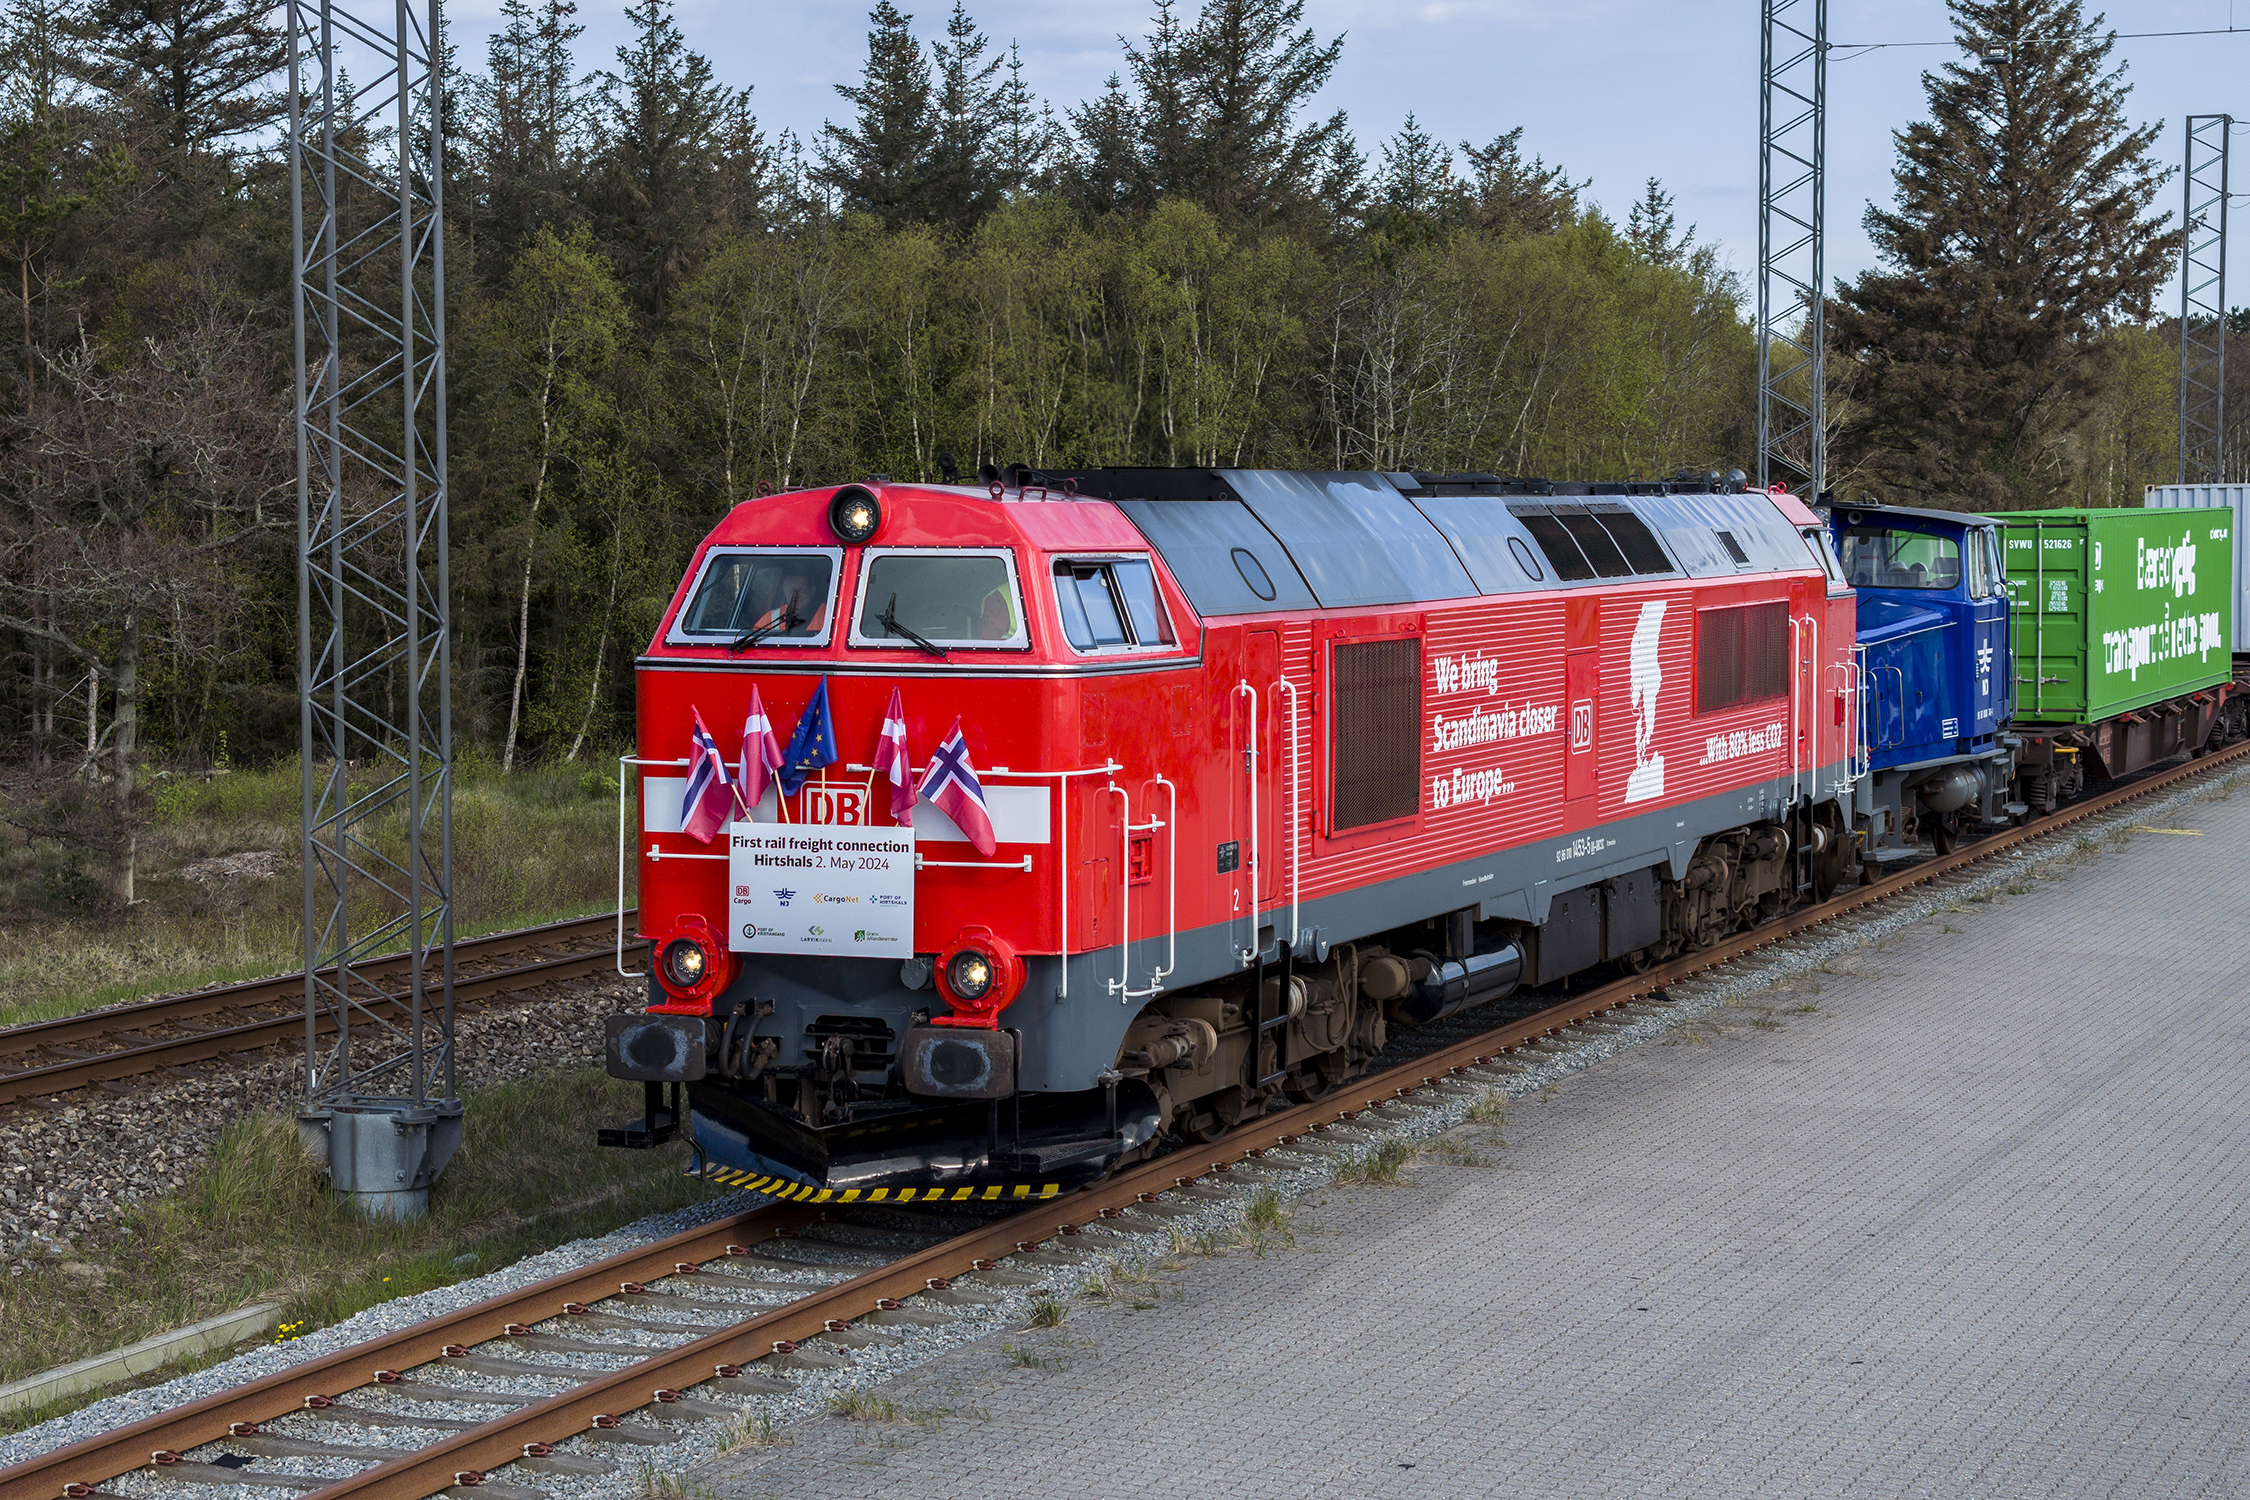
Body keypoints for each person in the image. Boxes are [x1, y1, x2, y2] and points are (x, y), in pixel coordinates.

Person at [757, 567, 827, 634]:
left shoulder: (829, 615)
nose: (796, 595)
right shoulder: (771, 618)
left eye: (801, 589)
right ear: (784, 589)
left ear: (812, 590)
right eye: (791, 590)